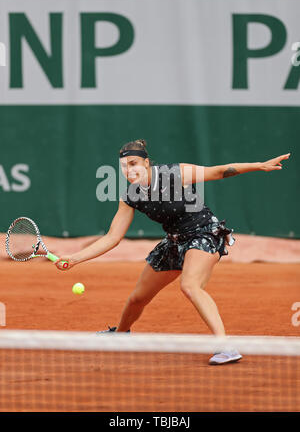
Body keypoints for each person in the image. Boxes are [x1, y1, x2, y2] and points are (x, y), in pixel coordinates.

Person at [54, 139, 290, 365]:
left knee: (190, 285)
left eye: (134, 163)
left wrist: (258, 166)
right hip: (174, 242)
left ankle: (225, 346)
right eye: (124, 166)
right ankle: (121, 333)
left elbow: (218, 171)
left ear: (146, 163)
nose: (129, 170)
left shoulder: (174, 173)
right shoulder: (130, 196)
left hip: (204, 233)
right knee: (138, 298)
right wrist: (75, 258)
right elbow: (113, 237)